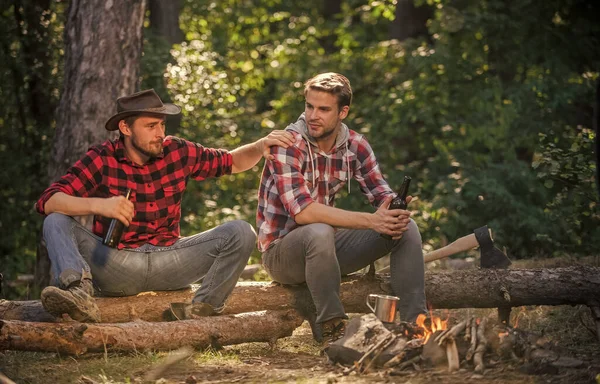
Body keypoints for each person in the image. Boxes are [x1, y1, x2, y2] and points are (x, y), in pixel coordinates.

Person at [36, 88, 293, 322]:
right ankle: (78, 294)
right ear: (126, 128)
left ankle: (201, 309)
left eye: (161, 125)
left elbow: (232, 162)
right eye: (150, 126)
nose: (160, 133)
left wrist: (260, 146)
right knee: (55, 220)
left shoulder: (177, 151)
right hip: (117, 265)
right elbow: (49, 201)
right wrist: (99, 206)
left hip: (172, 261)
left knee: (240, 232)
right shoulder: (103, 158)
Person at [256, 72, 427, 341]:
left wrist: (392, 208)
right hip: (282, 254)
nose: (313, 115)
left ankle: (415, 325)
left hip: (327, 252)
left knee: (404, 228)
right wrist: (372, 221)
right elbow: (304, 213)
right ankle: (332, 327)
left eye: (324, 109)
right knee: (319, 229)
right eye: (309, 106)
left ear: (343, 111)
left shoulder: (355, 145)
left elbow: (379, 191)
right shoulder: (287, 144)